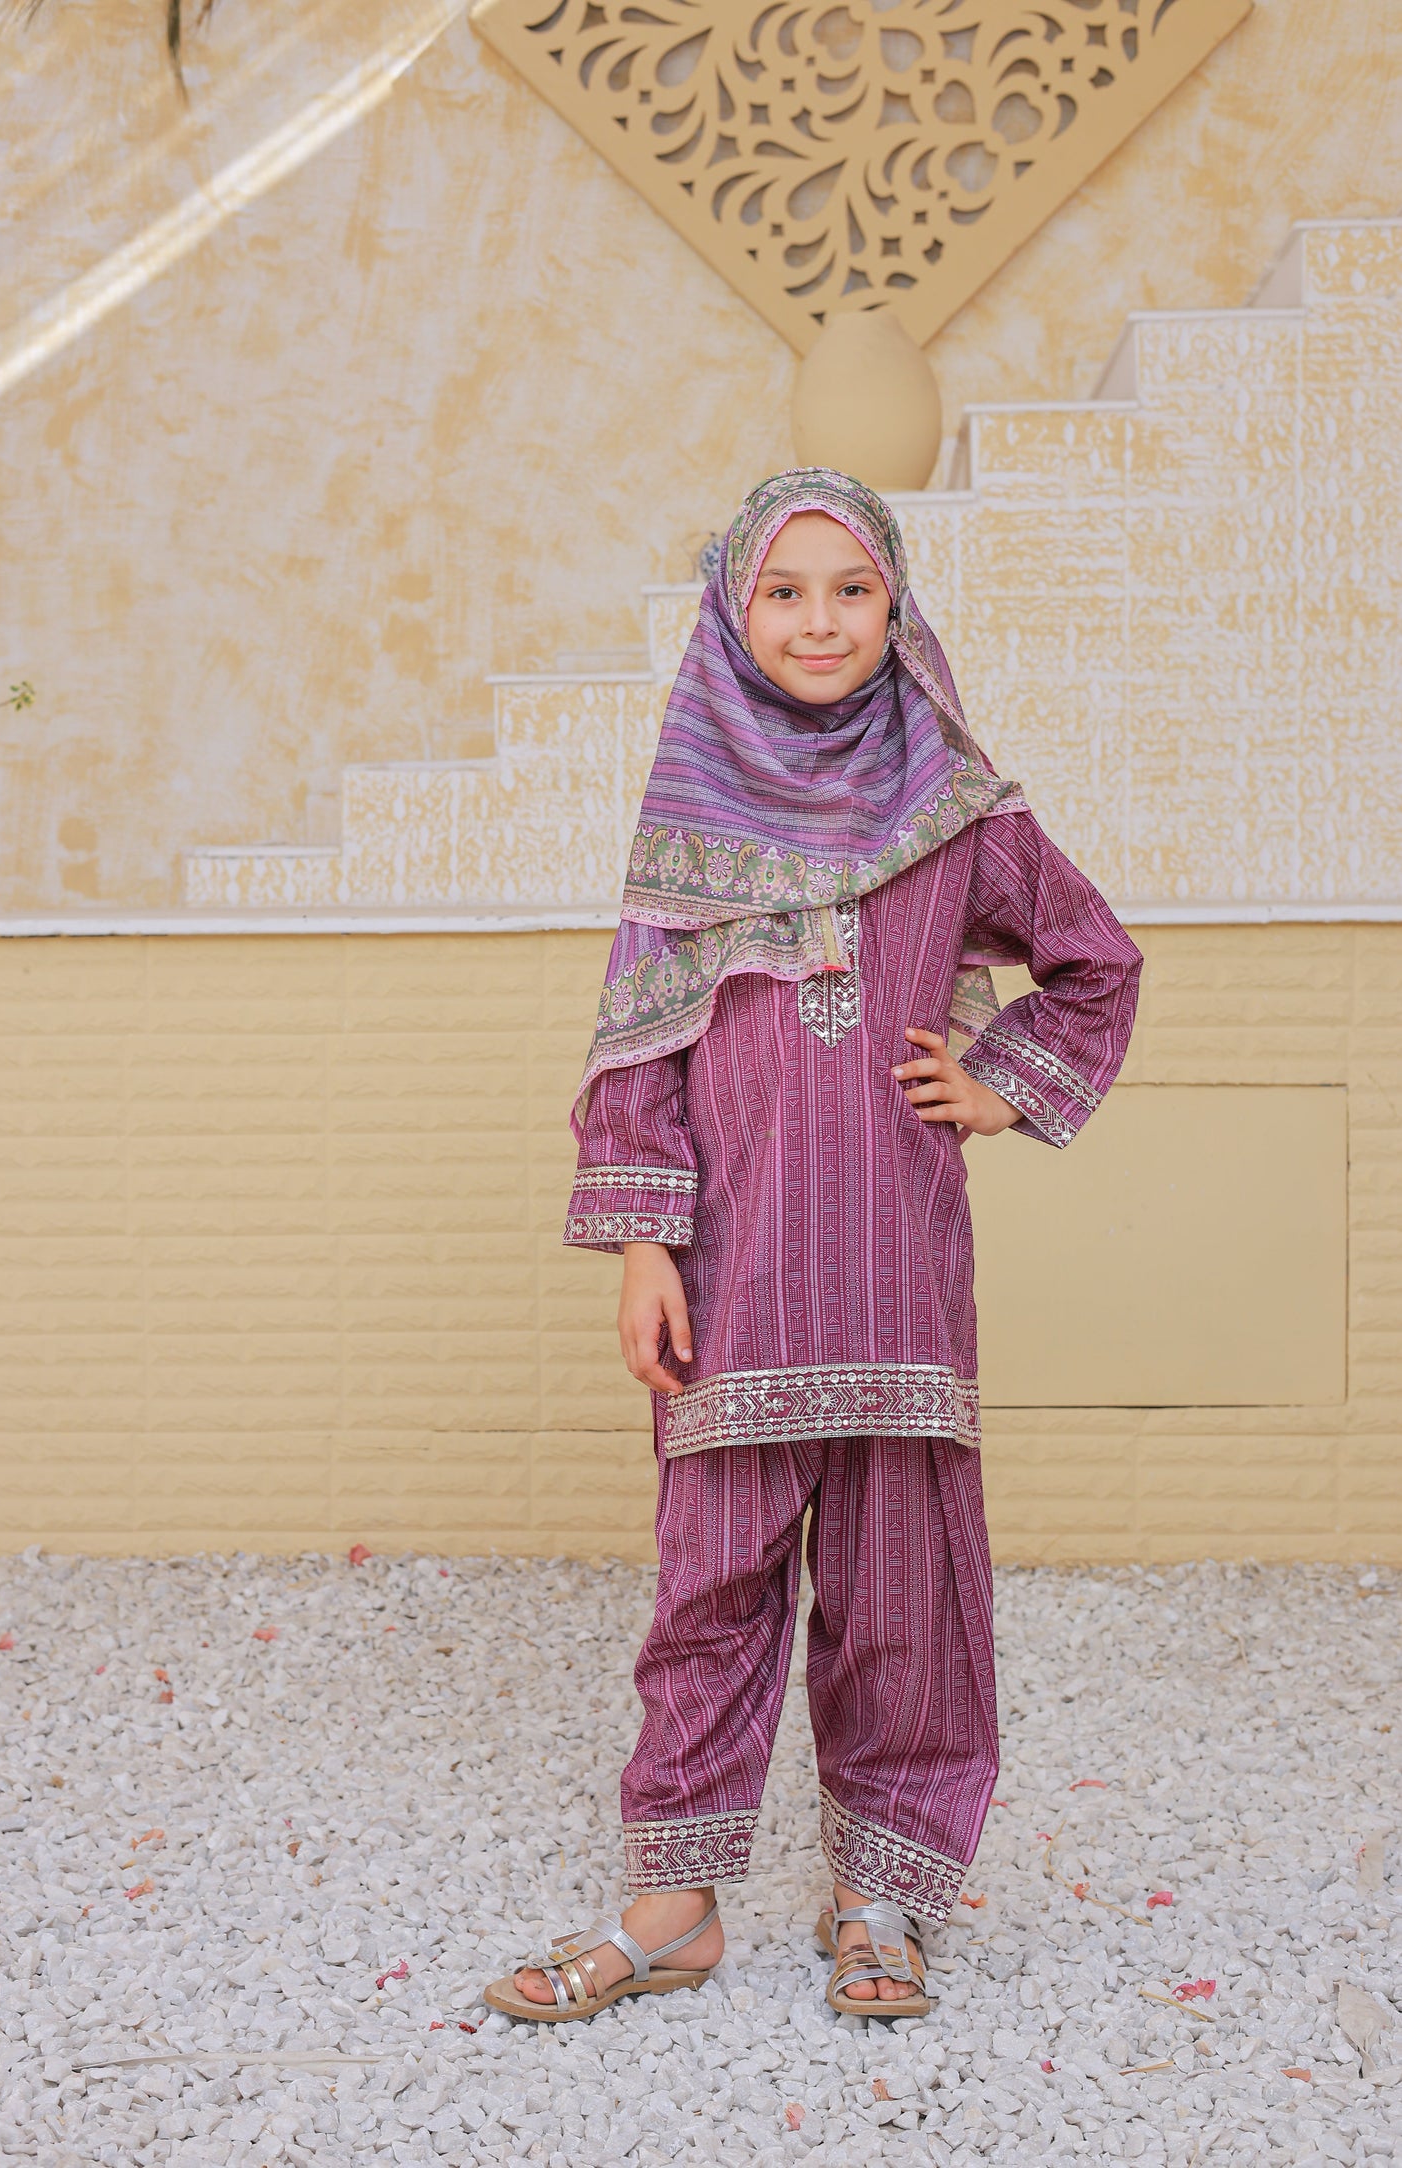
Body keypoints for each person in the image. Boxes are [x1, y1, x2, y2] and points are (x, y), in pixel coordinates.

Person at [483, 468, 1141, 2024]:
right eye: (785, 590)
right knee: (707, 1589)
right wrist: (643, 1245)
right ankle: (672, 1907)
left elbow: (1092, 962)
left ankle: (883, 1901)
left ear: (896, 604)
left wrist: (999, 1082)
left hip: (896, 1277)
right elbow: (635, 1048)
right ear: (730, 610)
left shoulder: (956, 811)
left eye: (851, 589)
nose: (820, 620)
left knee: (902, 1591)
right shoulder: (690, 820)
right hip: (729, 1274)